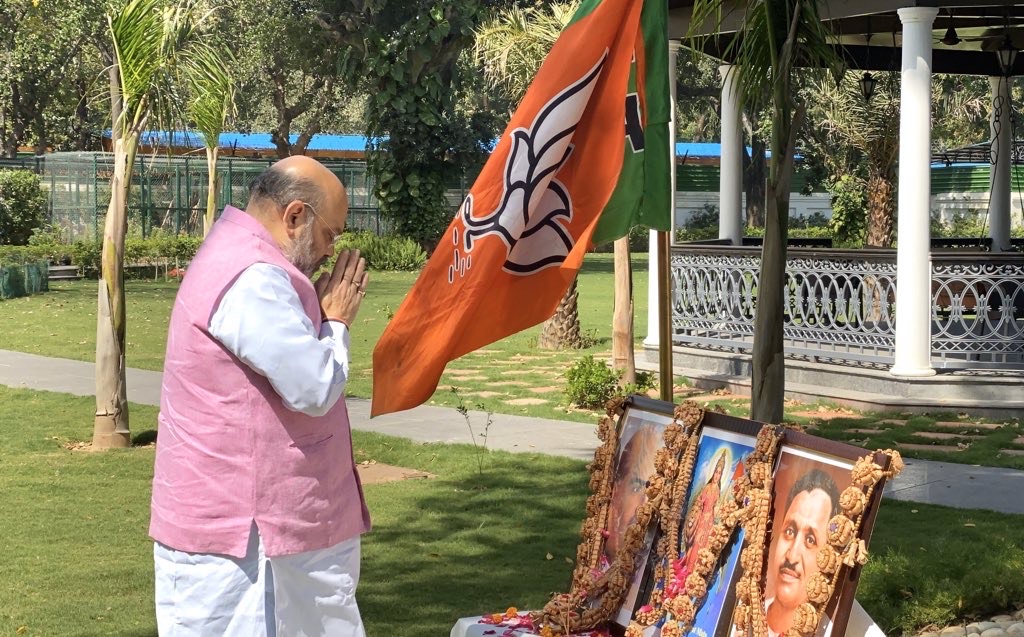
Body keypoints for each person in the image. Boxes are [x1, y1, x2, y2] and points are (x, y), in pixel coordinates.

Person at [149, 155, 371, 636]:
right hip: (249, 543)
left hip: (255, 533)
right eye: (330, 234)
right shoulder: (254, 278)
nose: (332, 250)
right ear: (294, 217)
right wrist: (335, 324)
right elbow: (313, 387)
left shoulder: (241, 259)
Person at [764, 468, 841, 637]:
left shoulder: (827, 632)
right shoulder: (744, 611)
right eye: (790, 531)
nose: (792, 556)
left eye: (810, 540)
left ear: (827, 560)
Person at [604, 421, 661, 566]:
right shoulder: (598, 555)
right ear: (616, 491)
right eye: (636, 488)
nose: (646, 505)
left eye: (656, 492)